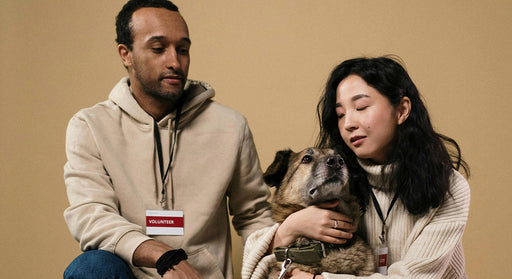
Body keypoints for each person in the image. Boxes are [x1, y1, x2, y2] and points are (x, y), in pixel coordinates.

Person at [63, 0, 273, 278]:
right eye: (159, 49)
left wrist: (283, 266)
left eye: (182, 49)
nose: (175, 62)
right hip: (129, 273)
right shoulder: (90, 126)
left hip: (199, 277)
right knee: (91, 267)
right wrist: (164, 256)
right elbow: (91, 216)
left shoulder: (230, 126)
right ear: (126, 54)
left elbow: (254, 216)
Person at [242, 56, 470, 279]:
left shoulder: (449, 187)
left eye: (361, 107)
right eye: (341, 114)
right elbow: (252, 267)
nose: (348, 124)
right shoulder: (343, 180)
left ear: (401, 110)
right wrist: (290, 227)